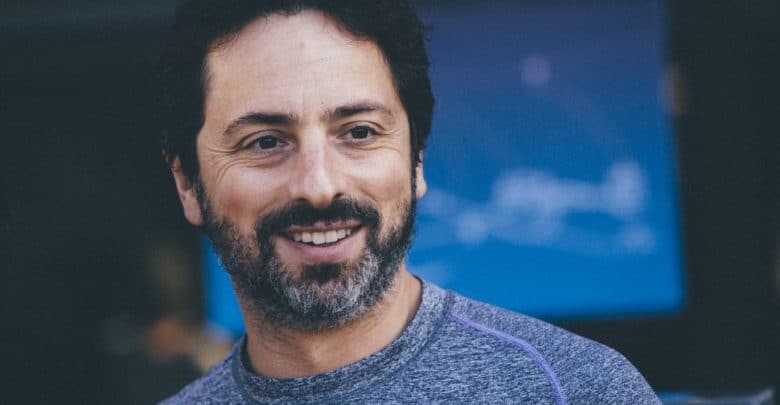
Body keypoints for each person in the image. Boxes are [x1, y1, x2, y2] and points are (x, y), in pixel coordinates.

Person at [157, 1, 660, 403]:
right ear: (187, 184)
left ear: (416, 160)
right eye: (265, 142)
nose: (318, 186)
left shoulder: (575, 391)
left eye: (359, 132)